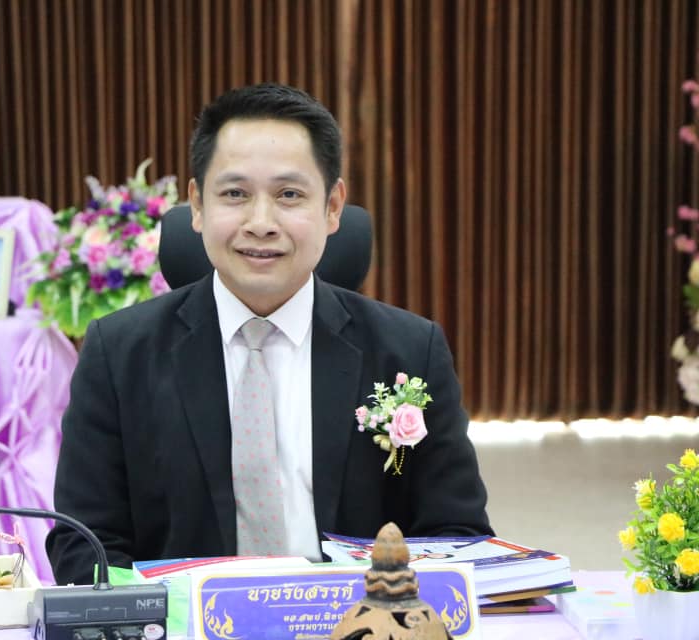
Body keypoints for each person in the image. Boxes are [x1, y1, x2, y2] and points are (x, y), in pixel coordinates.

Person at [46, 83, 492, 585]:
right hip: (184, 620)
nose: (261, 223)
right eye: (235, 194)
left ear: (332, 206)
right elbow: (85, 543)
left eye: (289, 195)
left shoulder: (409, 351)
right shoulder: (118, 354)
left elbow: (458, 536)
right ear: (197, 205)